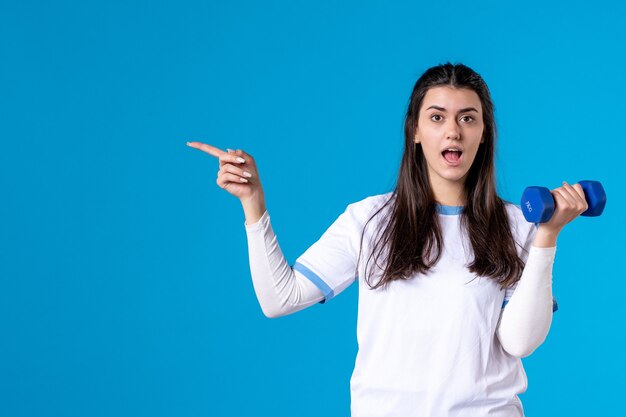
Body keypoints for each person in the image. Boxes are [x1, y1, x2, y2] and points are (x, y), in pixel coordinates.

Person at [187, 62, 589, 416]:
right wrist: (253, 204)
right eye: (437, 118)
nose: (453, 131)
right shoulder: (369, 221)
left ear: (484, 133)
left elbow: (519, 342)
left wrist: (547, 238)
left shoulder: (519, 226)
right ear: (415, 130)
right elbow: (280, 298)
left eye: (468, 118)